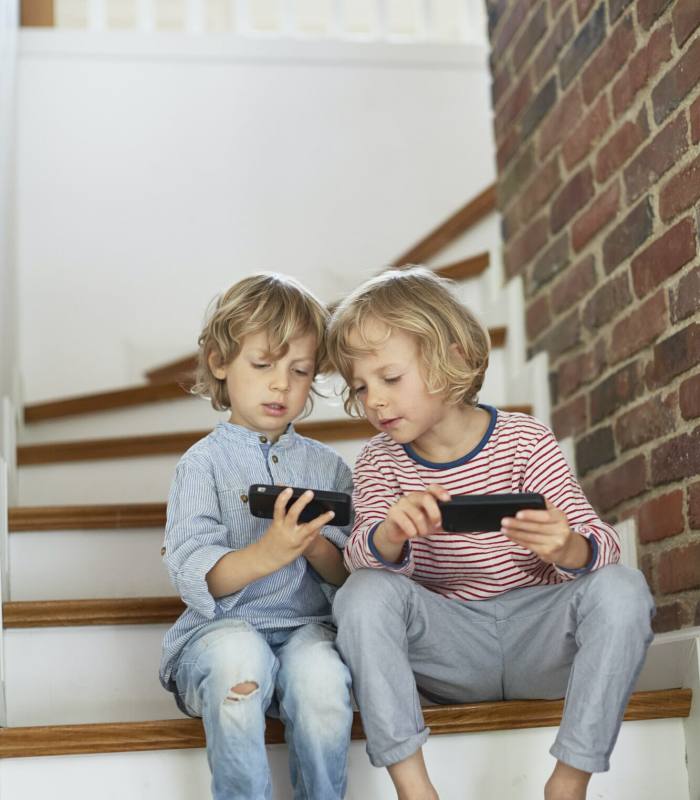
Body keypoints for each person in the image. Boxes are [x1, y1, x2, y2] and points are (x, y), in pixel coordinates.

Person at [325, 266, 654, 800]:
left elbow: (603, 541)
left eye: (390, 378)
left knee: (623, 587)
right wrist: (389, 535)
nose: (375, 401)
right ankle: (415, 790)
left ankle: (568, 783)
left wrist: (566, 546)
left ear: (451, 359)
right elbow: (358, 555)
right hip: (449, 650)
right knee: (362, 592)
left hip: (539, 638)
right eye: (361, 388)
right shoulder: (378, 463)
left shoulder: (525, 439)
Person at [159, 273, 354, 800]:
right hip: (223, 628)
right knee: (237, 666)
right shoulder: (201, 465)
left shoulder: (329, 467)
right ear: (221, 362)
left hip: (306, 627)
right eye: (263, 364)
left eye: (299, 371)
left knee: (322, 684)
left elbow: (348, 571)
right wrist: (268, 553)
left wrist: (313, 544)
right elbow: (195, 569)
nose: (280, 385)